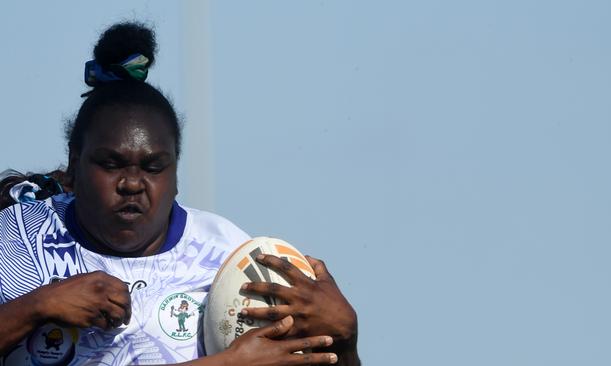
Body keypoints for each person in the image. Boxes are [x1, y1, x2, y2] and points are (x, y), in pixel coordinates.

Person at [0, 22, 359, 366]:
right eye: (111, 164)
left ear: (175, 175)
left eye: (154, 167)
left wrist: (343, 340)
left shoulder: (230, 257)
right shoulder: (17, 239)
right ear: (74, 164)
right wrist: (36, 305)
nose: (132, 183)